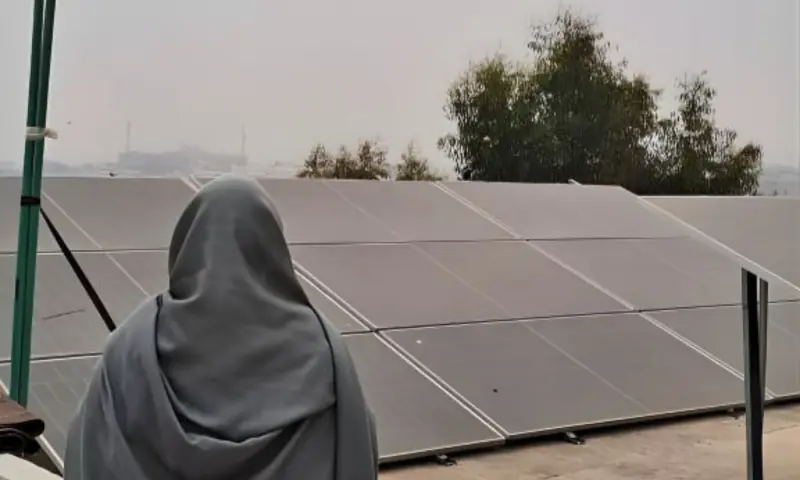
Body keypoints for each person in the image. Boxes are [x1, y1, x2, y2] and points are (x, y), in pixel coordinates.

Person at [64, 175, 379, 479]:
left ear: (188, 240)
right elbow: (355, 450)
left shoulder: (131, 348)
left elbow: (89, 448)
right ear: (272, 245)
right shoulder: (324, 354)